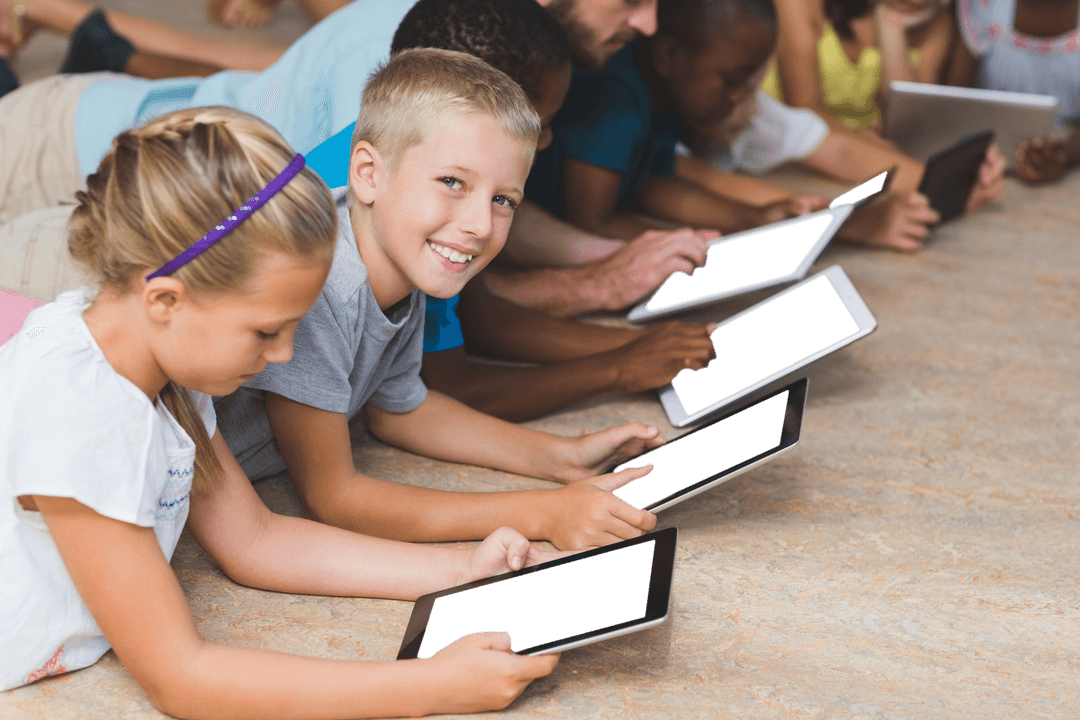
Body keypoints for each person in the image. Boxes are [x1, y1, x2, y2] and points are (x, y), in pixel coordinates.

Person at [0, 105, 564, 713]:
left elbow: (255, 540)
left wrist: (459, 571)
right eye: (267, 331)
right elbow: (181, 677)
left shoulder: (157, 356)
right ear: (166, 298)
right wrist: (432, 686)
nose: (285, 353)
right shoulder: (84, 411)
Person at [213, 48, 662, 551]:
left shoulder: (404, 252)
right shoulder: (321, 281)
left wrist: (560, 457)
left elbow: (400, 408)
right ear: (368, 173)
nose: (478, 224)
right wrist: (545, 512)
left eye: (502, 200)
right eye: (452, 182)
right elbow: (333, 497)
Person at [303, 0, 717, 422]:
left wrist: (649, 346)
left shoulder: (418, 185)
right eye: (538, 124)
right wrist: (619, 367)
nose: (549, 140)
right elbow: (449, 386)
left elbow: (479, 315)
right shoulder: (383, 220)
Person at [526, 0, 1002, 253]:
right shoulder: (617, 101)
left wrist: (757, 219)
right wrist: (710, 247)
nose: (743, 99)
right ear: (667, 54)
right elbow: (592, 221)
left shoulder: (667, 96)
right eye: (733, 81)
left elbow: (653, 183)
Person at [763, 0, 957, 132]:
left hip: (864, 159)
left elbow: (911, 126)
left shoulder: (938, 23)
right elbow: (803, 115)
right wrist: (865, 142)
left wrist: (891, 27)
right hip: (788, 151)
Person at [948, 0, 1080, 184]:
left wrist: (1062, 155)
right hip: (987, 164)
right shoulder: (985, 6)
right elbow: (952, 104)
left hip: (1068, 169)